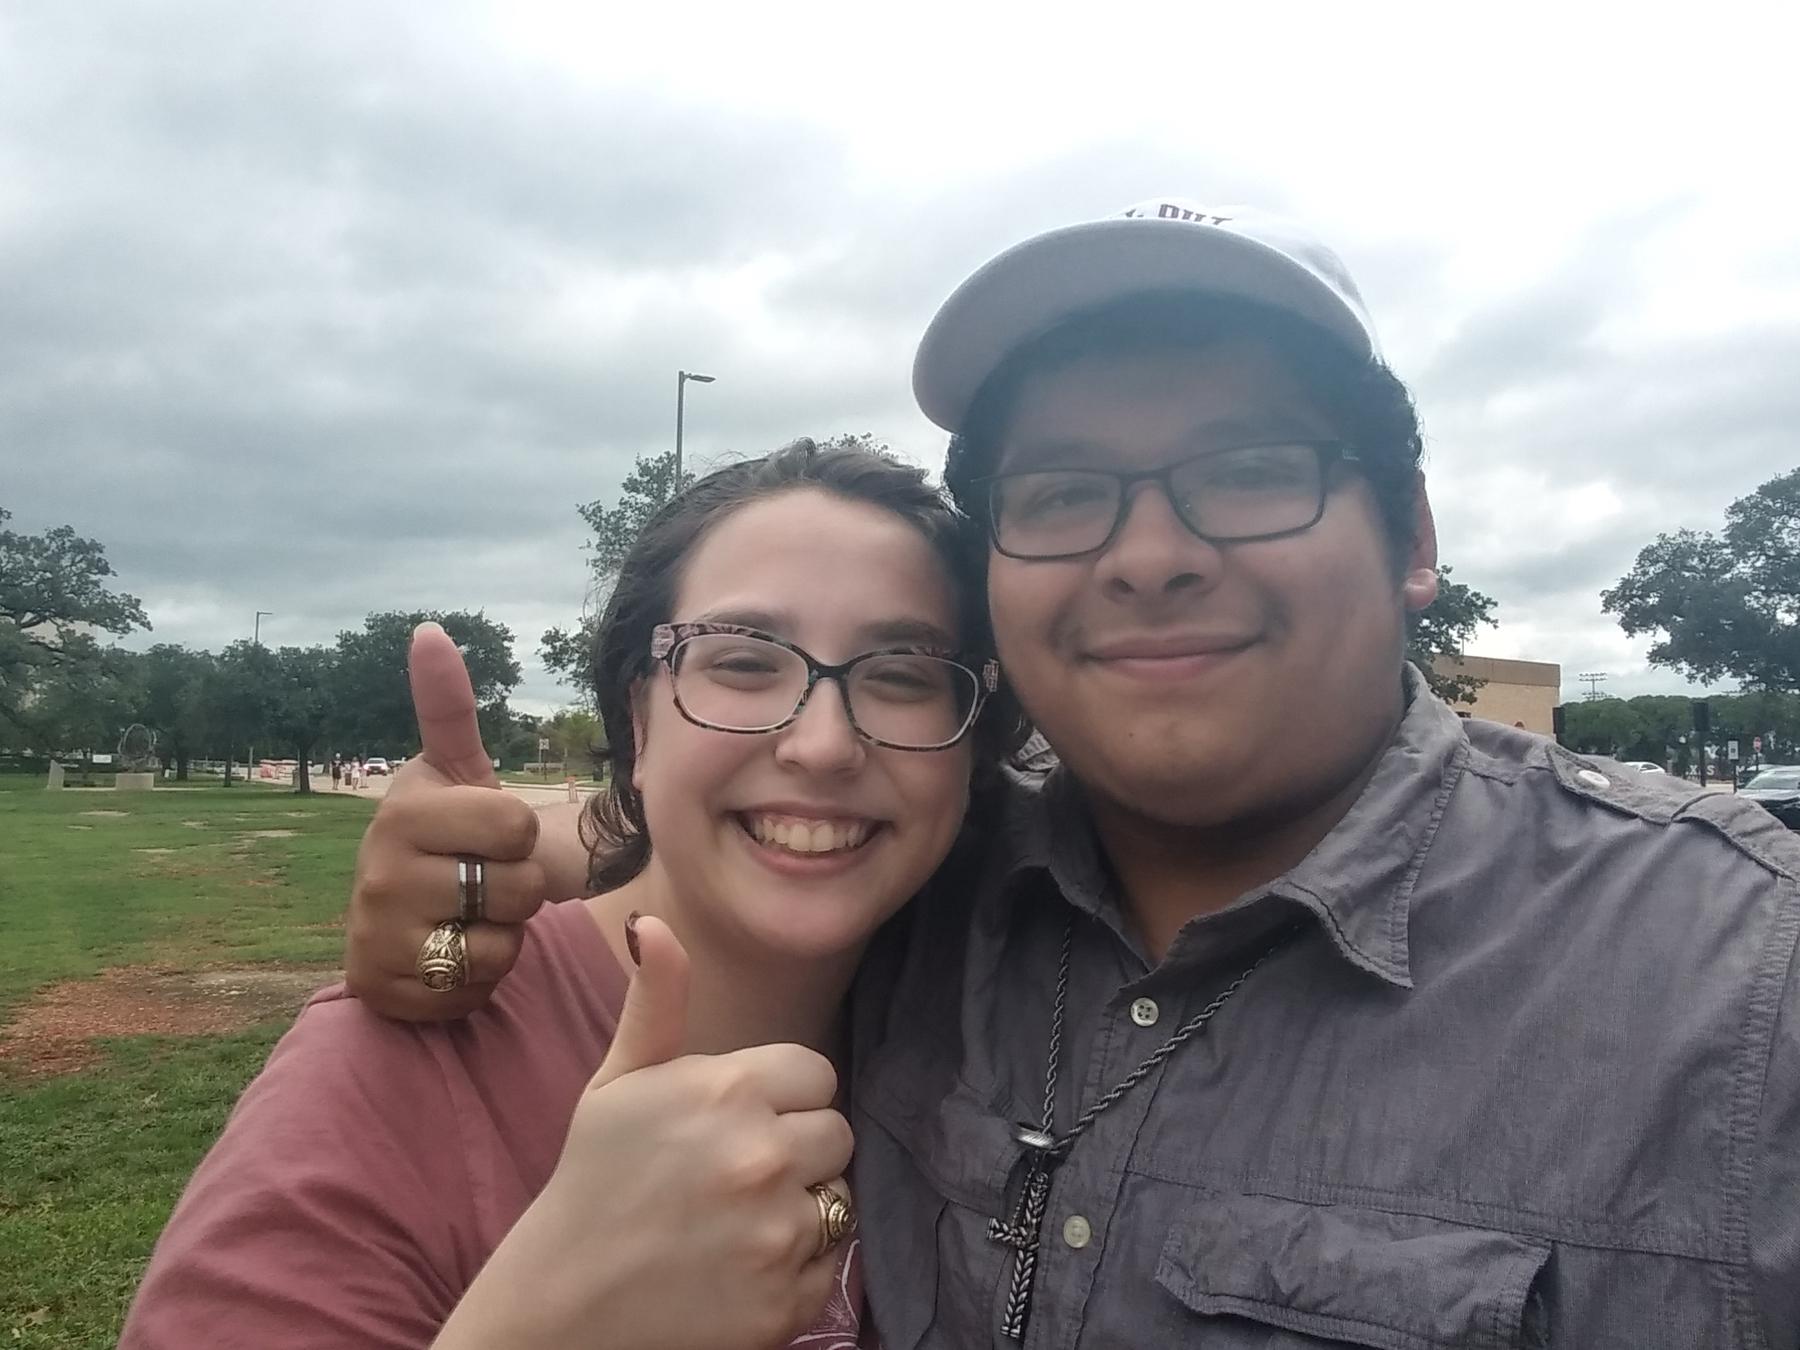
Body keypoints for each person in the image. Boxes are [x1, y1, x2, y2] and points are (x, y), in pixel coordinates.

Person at [340, 200, 1800, 1346]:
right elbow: (775, 814)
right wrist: (529, 857)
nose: (1149, 553)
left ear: (1410, 534)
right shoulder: (934, 896)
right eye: (1062, 495)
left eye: (1246, 468)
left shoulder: (1739, 988)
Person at [120, 439, 1018, 1349]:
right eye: (743, 664)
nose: (823, 746)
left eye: (902, 674)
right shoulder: (403, 1069)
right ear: (637, 716)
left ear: (971, 744)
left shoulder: (1009, 1020)